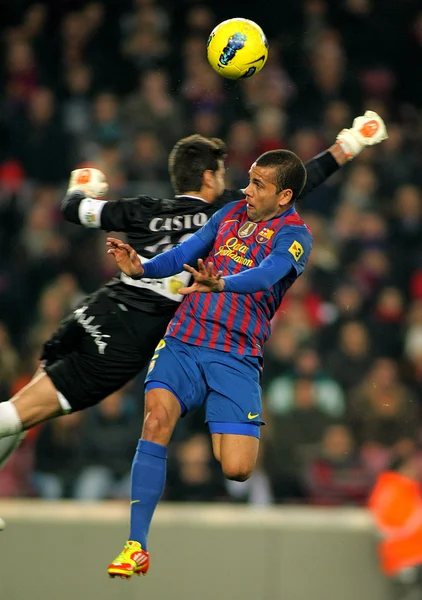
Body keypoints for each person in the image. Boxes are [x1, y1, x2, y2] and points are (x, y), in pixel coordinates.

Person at [0, 114, 386, 489]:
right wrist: (350, 142)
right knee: (17, 415)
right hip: (127, 337)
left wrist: (81, 184)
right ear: (208, 177)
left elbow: (73, 210)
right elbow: (300, 183)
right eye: (222, 173)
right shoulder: (226, 211)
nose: (239, 186)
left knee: (23, 411)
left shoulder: (142, 208)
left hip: (94, 309)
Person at [102, 142, 364, 578]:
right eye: (248, 180)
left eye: (258, 185)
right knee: (154, 421)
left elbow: (266, 275)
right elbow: (185, 255)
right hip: (184, 339)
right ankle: (136, 545)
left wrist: (220, 284)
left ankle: (216, 416)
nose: (246, 189)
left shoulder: (295, 236)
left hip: (236, 355)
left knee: (238, 468)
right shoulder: (228, 216)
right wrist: (141, 268)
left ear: (283, 196)